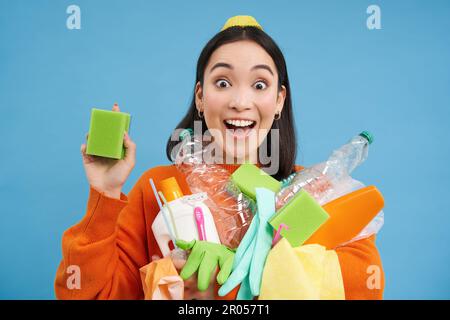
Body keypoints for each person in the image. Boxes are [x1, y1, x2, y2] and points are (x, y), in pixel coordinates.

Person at [55, 15, 384, 300]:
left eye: (259, 84)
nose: (240, 101)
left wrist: (228, 277)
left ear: (279, 99)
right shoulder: (157, 187)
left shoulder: (315, 191)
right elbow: (91, 293)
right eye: (223, 82)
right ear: (201, 96)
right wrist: (106, 193)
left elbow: (366, 284)